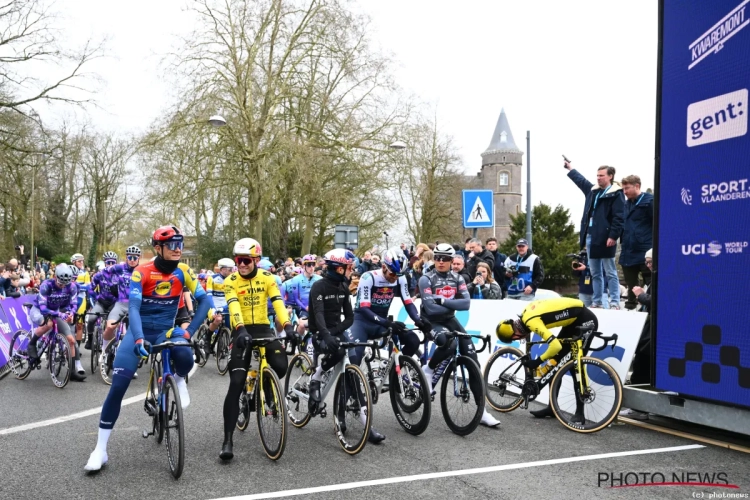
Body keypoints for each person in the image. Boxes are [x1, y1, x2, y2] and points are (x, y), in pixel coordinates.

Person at [85, 226, 213, 472]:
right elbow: (133, 307)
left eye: (180, 244)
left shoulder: (184, 271)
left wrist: (188, 331)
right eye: (172, 245)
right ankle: (100, 449)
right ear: (158, 248)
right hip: (139, 331)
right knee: (118, 386)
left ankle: (177, 378)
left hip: (167, 330)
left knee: (187, 355)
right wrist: (138, 338)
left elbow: (205, 300)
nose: (178, 249)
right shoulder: (141, 272)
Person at [346, 247, 432, 444]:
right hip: (362, 321)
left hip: (382, 322)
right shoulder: (370, 277)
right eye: (392, 274)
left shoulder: (399, 277)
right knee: (355, 358)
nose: (395, 278)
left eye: (398, 274)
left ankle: (395, 373)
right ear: (384, 267)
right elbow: (365, 309)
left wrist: (418, 321)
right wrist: (386, 323)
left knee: (411, 339)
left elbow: (408, 302)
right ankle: (347, 400)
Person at [219, 238, 294, 461]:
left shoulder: (268, 278)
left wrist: (288, 325)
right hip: (241, 330)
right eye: (237, 260)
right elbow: (233, 306)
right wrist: (239, 329)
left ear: (257, 260)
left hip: (263, 328)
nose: (240, 265)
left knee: (281, 366)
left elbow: (278, 303)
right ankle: (228, 439)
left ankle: (266, 385)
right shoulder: (230, 281)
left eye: (245, 261)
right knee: (235, 383)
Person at [418, 243, 500, 428]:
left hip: (449, 319)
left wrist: (443, 300)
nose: (440, 262)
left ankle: (482, 411)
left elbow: (466, 304)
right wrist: (451, 302)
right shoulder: (426, 278)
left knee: (473, 361)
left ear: (451, 260)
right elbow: (430, 307)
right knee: (448, 343)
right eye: (437, 258)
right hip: (431, 321)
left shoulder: (458, 278)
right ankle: (429, 370)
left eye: (445, 259)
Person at [496, 297, 598, 422]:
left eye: (515, 338)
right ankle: (552, 407)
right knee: (554, 363)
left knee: (575, 365)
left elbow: (555, 345)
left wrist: (537, 361)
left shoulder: (530, 321)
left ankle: (580, 413)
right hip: (573, 322)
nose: (518, 340)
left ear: (514, 333)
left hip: (585, 321)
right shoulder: (525, 317)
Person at [565, 160, 625, 309]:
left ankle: (615, 302)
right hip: (591, 236)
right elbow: (581, 181)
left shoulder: (616, 194)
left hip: (606, 237)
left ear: (610, 176)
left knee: (610, 271)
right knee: (595, 272)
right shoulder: (593, 191)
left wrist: (613, 236)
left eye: (602, 175)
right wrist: (571, 168)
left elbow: (619, 217)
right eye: (597, 175)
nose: (598, 178)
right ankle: (597, 302)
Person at [306, 249, 355, 422]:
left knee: (353, 353)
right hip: (319, 332)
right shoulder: (319, 286)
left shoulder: (343, 286)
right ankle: (316, 376)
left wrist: (334, 333)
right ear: (340, 269)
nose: (352, 270)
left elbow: (350, 318)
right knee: (339, 352)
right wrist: (326, 335)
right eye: (349, 267)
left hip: (334, 331)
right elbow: (318, 316)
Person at [27, 263, 86, 381]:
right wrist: (60, 314)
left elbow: (74, 304)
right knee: (47, 324)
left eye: (65, 284)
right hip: (39, 310)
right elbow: (43, 309)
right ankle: (32, 343)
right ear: (55, 277)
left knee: (71, 340)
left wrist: (71, 313)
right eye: (60, 283)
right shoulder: (46, 285)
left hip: (55, 311)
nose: (62, 286)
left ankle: (72, 371)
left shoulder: (72, 287)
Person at [619, 249, 653, 421]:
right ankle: (641, 407)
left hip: (652, 331)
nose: (647, 265)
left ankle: (640, 408)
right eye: (646, 262)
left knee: (642, 363)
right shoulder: (656, 277)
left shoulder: (661, 277)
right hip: (650, 329)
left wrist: (641, 295)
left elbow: (657, 302)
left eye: (650, 261)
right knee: (642, 364)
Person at [99, 246, 142, 374]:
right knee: (110, 327)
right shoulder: (119, 268)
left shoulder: (142, 270)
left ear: (139, 259)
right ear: (126, 257)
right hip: (120, 303)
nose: (133, 260)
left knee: (134, 335)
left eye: (135, 258)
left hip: (135, 305)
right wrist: (112, 284)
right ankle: (104, 351)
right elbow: (103, 273)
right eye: (130, 257)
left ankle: (130, 363)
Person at [619, 175, 653, 310]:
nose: (625, 192)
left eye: (627, 188)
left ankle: (650, 306)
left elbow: (658, 224)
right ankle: (631, 305)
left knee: (651, 281)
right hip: (628, 250)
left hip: (645, 248)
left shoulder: (650, 201)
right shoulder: (626, 204)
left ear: (637, 186)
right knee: (630, 281)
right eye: (623, 189)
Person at [84, 253, 119, 350]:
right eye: (108, 262)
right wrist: (96, 296)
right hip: (101, 302)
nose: (111, 265)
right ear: (105, 263)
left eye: (113, 263)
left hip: (114, 303)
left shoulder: (119, 275)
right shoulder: (99, 275)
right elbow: (90, 288)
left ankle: (110, 345)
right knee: (91, 319)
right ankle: (90, 340)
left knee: (111, 324)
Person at [284, 253, 321, 338]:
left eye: (313, 264)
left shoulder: (320, 279)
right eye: (309, 265)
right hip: (304, 308)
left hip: (318, 308)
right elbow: (296, 299)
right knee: (301, 325)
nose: (311, 267)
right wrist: (306, 308)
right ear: (303, 266)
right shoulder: (296, 279)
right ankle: (298, 341)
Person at [205, 258, 234, 355]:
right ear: (222, 269)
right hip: (213, 303)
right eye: (229, 269)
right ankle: (207, 339)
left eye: (232, 269)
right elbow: (209, 295)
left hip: (226, 304)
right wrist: (213, 308)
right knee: (217, 319)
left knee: (232, 324)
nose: (231, 271)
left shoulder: (232, 280)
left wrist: (225, 307)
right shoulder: (212, 278)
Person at [70, 253, 91, 348]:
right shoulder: (69, 271)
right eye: (79, 261)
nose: (81, 263)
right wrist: (80, 286)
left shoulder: (85, 273)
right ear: (74, 262)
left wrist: (76, 286)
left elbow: (88, 286)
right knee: (69, 323)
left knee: (79, 325)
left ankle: (77, 348)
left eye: (82, 261)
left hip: (81, 300)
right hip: (70, 299)